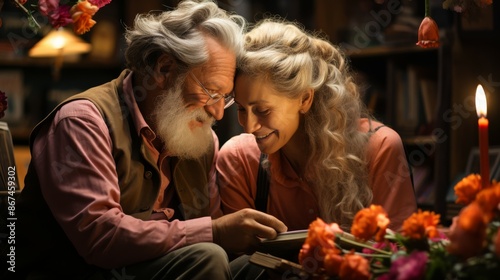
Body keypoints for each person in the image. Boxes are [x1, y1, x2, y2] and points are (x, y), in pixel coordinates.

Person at [5, 1, 287, 279]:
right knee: (207, 258)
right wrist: (216, 230)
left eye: (225, 99)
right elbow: (101, 238)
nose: (216, 112)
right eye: (211, 92)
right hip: (80, 272)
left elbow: (209, 235)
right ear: (164, 70)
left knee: (259, 266)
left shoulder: (203, 140)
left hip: (156, 267)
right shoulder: (82, 122)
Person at [218, 19, 417, 238]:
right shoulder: (238, 159)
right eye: (241, 109)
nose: (249, 127)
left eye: (263, 110)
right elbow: (241, 264)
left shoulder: (380, 148)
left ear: (304, 99)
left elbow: (399, 255)